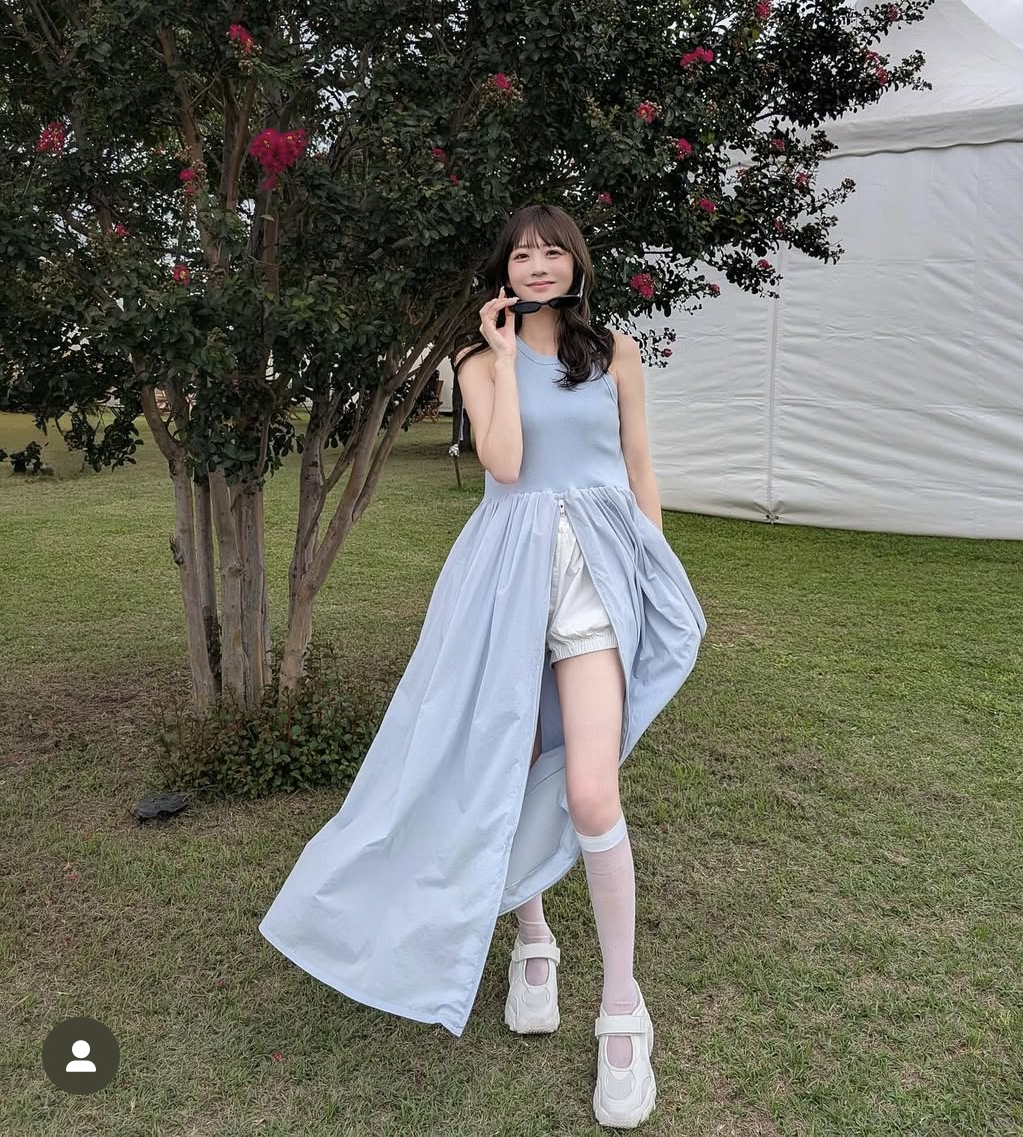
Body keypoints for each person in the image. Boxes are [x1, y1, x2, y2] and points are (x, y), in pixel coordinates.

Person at [259, 202, 707, 1129]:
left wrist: (650, 571)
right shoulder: (475, 357)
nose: (538, 265)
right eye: (522, 254)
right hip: (504, 584)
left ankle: (622, 1011)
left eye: (552, 252)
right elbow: (504, 464)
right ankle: (533, 940)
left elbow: (640, 472)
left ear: (575, 262)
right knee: (502, 763)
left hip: (597, 579)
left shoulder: (616, 354)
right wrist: (500, 356)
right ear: (505, 270)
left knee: (591, 790)